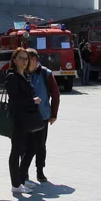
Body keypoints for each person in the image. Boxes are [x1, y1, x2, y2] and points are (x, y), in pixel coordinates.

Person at [24, 48, 62, 181]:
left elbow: (55, 95)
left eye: (26, 59)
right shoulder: (21, 73)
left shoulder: (46, 73)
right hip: (25, 116)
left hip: (42, 116)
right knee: (25, 145)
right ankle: (24, 172)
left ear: (34, 60)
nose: (24, 62)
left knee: (40, 145)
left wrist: (54, 114)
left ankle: (40, 171)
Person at [6, 48, 40, 195]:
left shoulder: (25, 75)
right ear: (14, 60)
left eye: (26, 58)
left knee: (32, 148)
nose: (24, 61)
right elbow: (15, 99)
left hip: (28, 118)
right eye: (21, 58)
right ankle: (16, 184)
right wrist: (32, 101)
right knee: (16, 150)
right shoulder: (12, 77)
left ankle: (21, 179)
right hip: (18, 118)